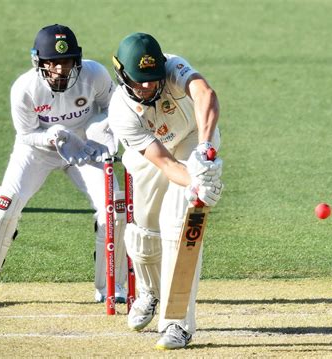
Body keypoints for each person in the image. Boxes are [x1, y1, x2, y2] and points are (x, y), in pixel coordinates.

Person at [0, 24, 128, 307]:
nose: (61, 69)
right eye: (54, 62)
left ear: (77, 60)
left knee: (113, 208)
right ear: (39, 62)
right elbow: (25, 134)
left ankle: (113, 284)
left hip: (84, 148)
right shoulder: (24, 88)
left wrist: (98, 132)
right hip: (38, 149)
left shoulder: (95, 74)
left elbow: (116, 107)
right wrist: (51, 137)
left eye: (67, 61)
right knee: (5, 203)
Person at [108, 32, 223, 350]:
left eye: (153, 78)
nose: (148, 86)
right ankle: (149, 292)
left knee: (178, 225)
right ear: (122, 74)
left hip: (191, 140)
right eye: (139, 81)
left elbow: (205, 95)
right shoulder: (121, 111)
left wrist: (203, 150)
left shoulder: (173, 68)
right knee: (144, 234)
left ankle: (177, 324)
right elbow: (166, 165)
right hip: (152, 155)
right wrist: (196, 181)